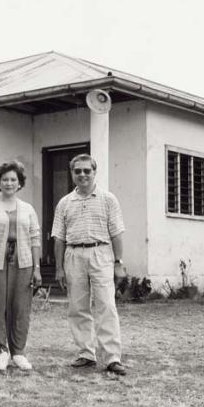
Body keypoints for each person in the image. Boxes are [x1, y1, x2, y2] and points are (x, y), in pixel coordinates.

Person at [51, 154, 128, 375]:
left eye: (87, 170)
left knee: (106, 305)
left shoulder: (108, 199)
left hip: (101, 252)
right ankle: (86, 353)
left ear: (95, 172)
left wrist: (118, 262)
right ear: (72, 173)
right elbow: (58, 237)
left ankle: (112, 358)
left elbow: (116, 233)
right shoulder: (65, 202)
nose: (82, 175)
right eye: (78, 171)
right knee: (77, 307)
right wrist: (58, 268)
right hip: (73, 254)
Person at [0, 161, 42, 371]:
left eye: (13, 179)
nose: (9, 183)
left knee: (21, 307)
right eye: (5, 179)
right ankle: (1, 351)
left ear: (19, 183)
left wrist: (37, 267)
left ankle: (19, 352)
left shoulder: (28, 209)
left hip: (23, 263)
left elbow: (35, 238)